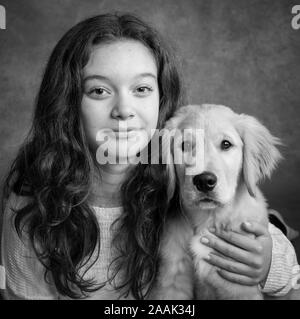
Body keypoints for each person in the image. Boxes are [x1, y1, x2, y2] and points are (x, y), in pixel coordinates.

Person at [0, 13, 298, 300]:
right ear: (67, 104)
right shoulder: (33, 204)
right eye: (99, 90)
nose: (124, 110)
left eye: (141, 88)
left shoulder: (178, 176)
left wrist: (268, 261)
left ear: (161, 98)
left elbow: (261, 237)